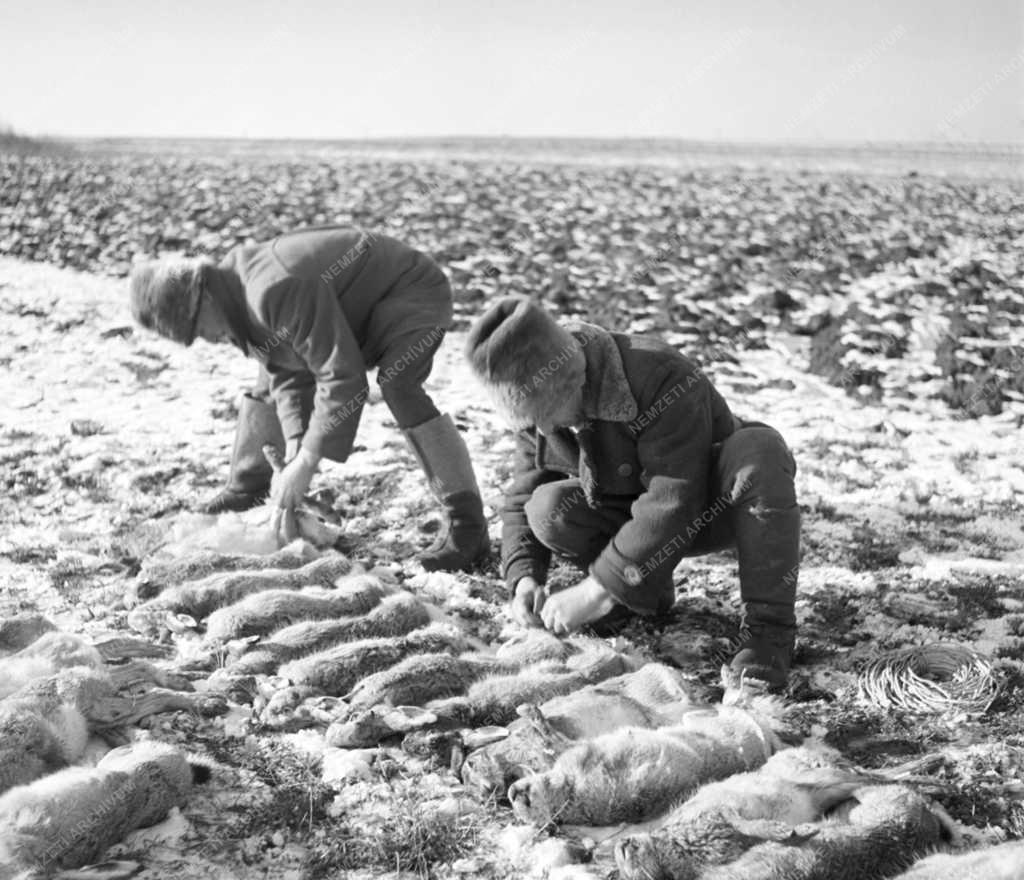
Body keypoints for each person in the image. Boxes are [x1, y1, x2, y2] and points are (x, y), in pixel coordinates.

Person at [465, 296, 800, 689]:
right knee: (549, 508)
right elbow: (523, 497)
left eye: (544, 416)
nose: (540, 431)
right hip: (632, 516)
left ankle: (768, 632)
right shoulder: (539, 403)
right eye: (531, 422)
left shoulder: (659, 374)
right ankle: (638, 596)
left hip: (711, 504)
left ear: (570, 383)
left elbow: (674, 499)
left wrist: (597, 589)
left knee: (759, 453)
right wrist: (524, 579)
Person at [128, 226, 489, 573]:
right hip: (354, 311)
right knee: (268, 377)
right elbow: (288, 373)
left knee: (399, 385)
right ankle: (250, 486)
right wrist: (294, 455)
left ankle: (467, 525)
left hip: (411, 290)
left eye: (196, 329)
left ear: (202, 297)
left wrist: (307, 462)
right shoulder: (235, 296)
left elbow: (341, 377)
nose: (205, 339)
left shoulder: (272, 289)